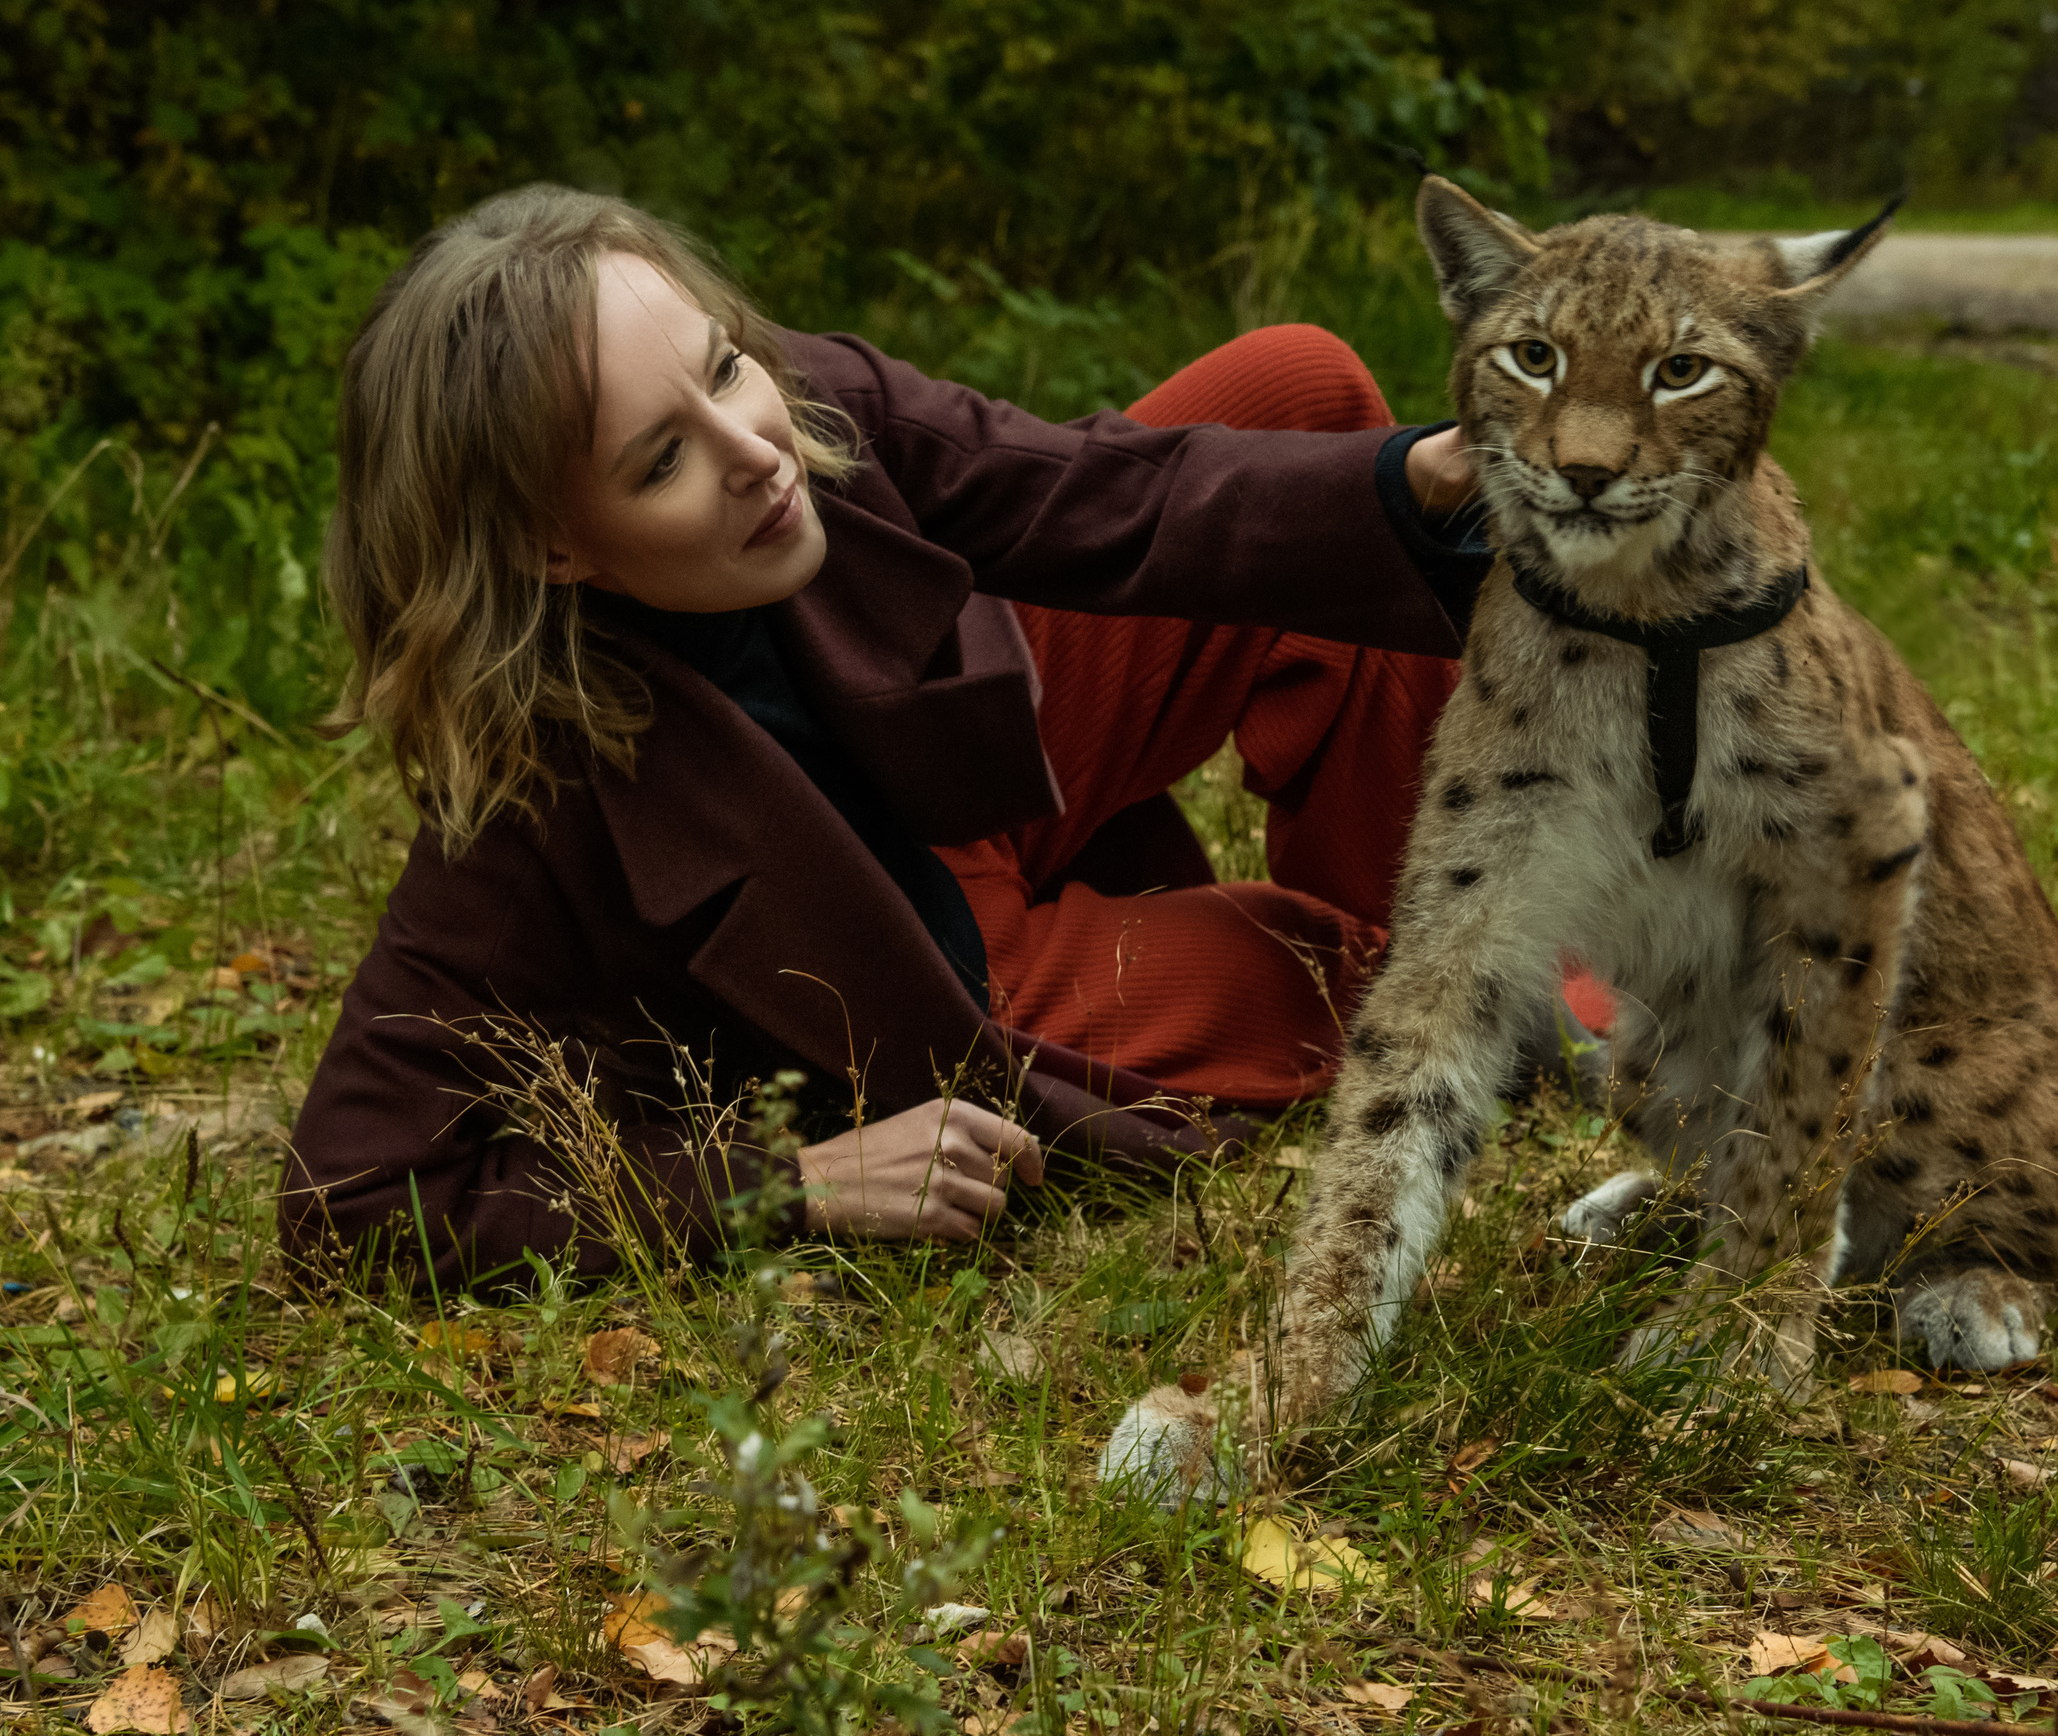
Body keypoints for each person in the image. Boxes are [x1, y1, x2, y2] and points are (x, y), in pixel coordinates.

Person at [281, 183, 1496, 1287]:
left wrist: (1423, 480)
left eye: (722, 369)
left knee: (1304, 392)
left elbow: (1096, 493)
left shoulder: (798, 409)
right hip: (943, 971)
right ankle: (1474, 991)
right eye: (661, 462)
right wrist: (797, 1182)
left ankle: (1484, 942)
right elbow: (353, 1196)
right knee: (1356, 983)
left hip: (968, 760)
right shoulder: (528, 797)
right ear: (556, 548)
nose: (755, 455)